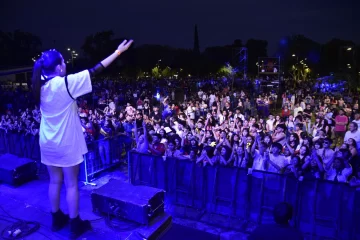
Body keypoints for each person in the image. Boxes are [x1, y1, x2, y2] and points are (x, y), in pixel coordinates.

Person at [31, 39, 133, 238]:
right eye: (63, 62)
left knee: (54, 181)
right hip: (66, 142)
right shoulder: (66, 83)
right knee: (70, 184)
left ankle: (56, 219)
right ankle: (75, 224)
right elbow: (96, 70)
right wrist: (118, 52)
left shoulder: (40, 88)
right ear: (59, 67)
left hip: (47, 141)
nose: (66, 65)